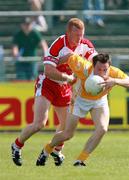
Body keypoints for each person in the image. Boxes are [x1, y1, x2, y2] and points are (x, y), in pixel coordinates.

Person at [11, 18, 98, 166]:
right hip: (48, 83)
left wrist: (102, 70)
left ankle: (57, 151)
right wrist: (67, 77)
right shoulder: (58, 45)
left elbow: (95, 60)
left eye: (82, 35)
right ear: (68, 33)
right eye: (77, 35)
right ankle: (17, 145)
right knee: (40, 123)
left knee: (65, 128)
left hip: (64, 87)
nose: (80, 39)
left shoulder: (84, 44)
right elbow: (49, 71)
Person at [36, 53, 129, 166]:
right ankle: (47, 150)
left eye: (105, 69)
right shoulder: (83, 67)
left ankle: (80, 160)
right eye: (99, 69)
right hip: (79, 101)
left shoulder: (114, 72)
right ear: (93, 66)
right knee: (67, 134)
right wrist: (54, 67)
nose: (102, 72)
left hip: (99, 100)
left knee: (102, 129)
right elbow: (69, 57)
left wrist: (115, 81)